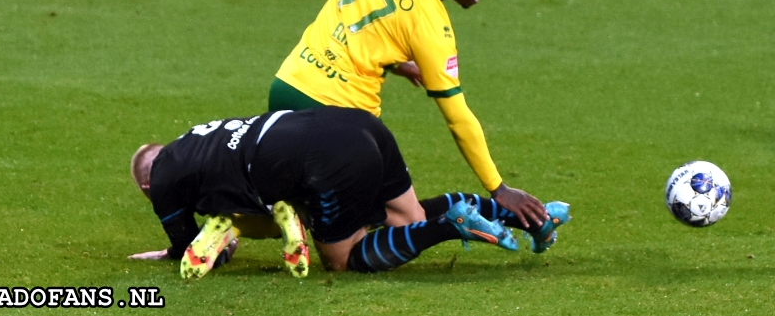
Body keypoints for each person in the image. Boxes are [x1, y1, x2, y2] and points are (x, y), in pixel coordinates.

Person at [269, 0, 546, 228]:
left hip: (288, 85)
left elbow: (356, 10)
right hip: (342, 116)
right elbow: (457, 117)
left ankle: (236, 224)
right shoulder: (431, 27)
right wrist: (498, 188)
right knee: (404, 219)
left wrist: (396, 62)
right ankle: (297, 217)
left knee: (315, 191)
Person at [128, 107, 570, 275]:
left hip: (323, 157)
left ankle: (451, 227)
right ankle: (533, 216)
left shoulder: (162, 176)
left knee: (341, 257)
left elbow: (194, 250)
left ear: (147, 185)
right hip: (356, 124)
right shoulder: (195, 138)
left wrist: (184, 251)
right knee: (405, 217)